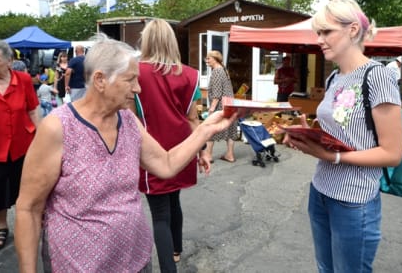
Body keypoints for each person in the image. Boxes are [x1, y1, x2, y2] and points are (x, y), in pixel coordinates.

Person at [14, 34, 237, 273]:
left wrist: (206, 129)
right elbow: (28, 208)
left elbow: (166, 164)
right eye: (130, 80)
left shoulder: (128, 121)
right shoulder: (58, 128)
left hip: (134, 260)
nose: (138, 88)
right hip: (78, 265)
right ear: (100, 80)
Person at [283, 0, 402, 272]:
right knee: (326, 268)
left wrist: (332, 156)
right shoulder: (334, 78)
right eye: (318, 33)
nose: (320, 39)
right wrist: (306, 131)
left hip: (354, 201)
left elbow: (392, 153)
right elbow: (342, 130)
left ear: (352, 30)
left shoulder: (377, 77)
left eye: (326, 32)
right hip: (320, 191)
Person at [134, 19, 207, 272]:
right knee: (174, 200)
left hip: (151, 149)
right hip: (183, 147)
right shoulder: (189, 74)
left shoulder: (134, 71)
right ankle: (176, 251)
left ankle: (169, 267)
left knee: (160, 214)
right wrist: (202, 150)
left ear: (147, 40)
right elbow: (193, 119)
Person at [0, 39, 39, 250]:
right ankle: (2, 227)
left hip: (23, 146)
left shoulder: (24, 80)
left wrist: (42, 139)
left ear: (9, 61)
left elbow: (33, 110)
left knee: (26, 189)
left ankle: (25, 225)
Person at [204, 50, 238, 163]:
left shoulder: (217, 71)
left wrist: (211, 108)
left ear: (215, 59)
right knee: (231, 129)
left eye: (208, 58)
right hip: (229, 104)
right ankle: (230, 155)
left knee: (210, 129)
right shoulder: (223, 70)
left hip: (220, 106)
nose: (206, 60)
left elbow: (217, 93)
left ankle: (208, 156)